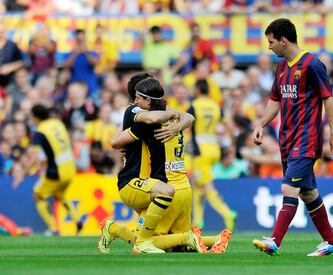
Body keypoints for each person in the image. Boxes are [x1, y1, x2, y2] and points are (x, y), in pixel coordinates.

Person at [99, 76, 231, 254]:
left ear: (148, 100)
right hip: (166, 185)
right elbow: (188, 117)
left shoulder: (152, 120)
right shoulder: (153, 115)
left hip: (161, 184)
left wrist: (124, 144)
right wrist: (175, 122)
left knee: (156, 243)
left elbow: (115, 141)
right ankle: (207, 239)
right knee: (164, 243)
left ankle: (114, 229)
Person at [251, 18, 333, 257]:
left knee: (289, 188)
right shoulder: (282, 67)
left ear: (284, 40)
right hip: (287, 139)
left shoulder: (312, 65)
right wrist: (261, 124)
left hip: (306, 139)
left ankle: (274, 241)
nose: (269, 47)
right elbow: (275, 99)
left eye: (271, 42)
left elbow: (328, 99)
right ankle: (331, 244)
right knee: (308, 193)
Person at [12, 104, 82, 236]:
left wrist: (22, 174)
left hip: (57, 171)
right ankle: (78, 220)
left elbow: (34, 156)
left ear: (36, 118)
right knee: (60, 194)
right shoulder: (57, 123)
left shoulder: (40, 131)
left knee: (38, 195)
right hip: (71, 168)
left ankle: (53, 228)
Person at [188, 79, 237, 231]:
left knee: (206, 185)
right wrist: (229, 143)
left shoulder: (194, 106)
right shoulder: (216, 106)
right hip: (214, 149)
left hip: (200, 151)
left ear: (197, 90)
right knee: (198, 185)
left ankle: (227, 213)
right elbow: (229, 125)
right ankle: (198, 222)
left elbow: (187, 127)